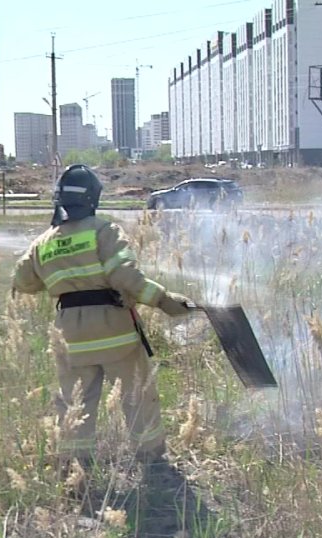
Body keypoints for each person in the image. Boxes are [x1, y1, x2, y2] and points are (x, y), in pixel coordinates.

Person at [12, 164, 193, 485]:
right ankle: (151, 460)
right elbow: (125, 277)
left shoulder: (43, 242)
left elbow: (23, 281)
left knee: (76, 403)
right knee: (137, 394)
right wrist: (164, 300)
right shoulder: (103, 231)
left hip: (69, 336)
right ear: (93, 198)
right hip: (113, 330)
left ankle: (76, 467)